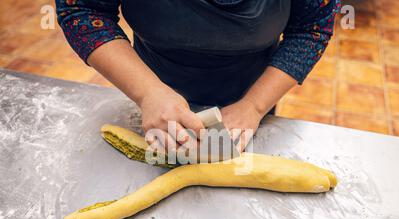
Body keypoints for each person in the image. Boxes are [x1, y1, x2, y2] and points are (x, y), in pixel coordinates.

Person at [56, 0, 340, 151]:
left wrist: (253, 106)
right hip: (148, 85)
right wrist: (148, 93)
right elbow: (82, 9)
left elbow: (310, 29)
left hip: (253, 90)